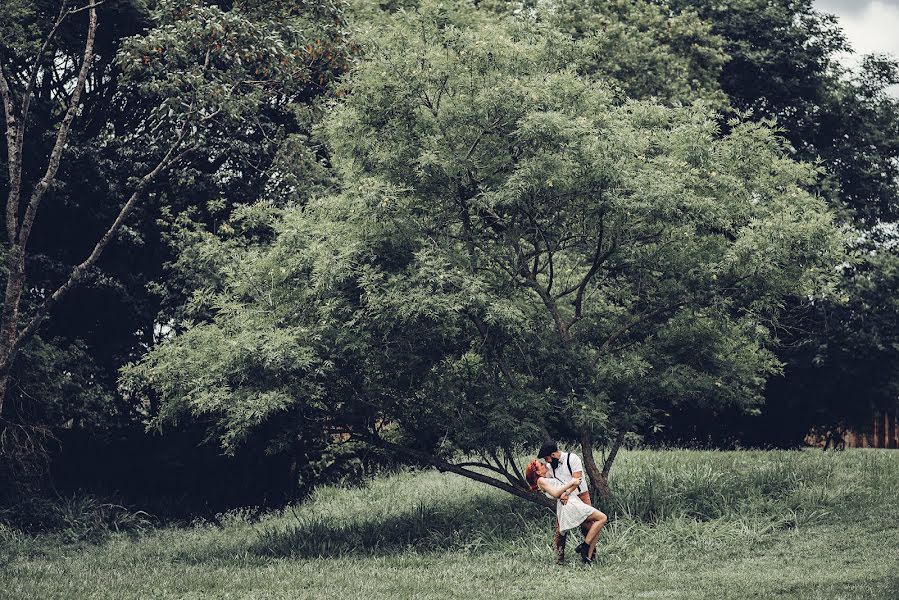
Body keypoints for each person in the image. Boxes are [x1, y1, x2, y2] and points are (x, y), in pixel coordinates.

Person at [525, 459, 608, 565]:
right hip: (569, 505)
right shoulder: (540, 481)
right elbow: (555, 493)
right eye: (541, 464)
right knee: (602, 518)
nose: (544, 464)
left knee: (596, 526)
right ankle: (585, 546)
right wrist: (572, 482)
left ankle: (588, 557)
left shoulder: (547, 476)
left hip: (572, 501)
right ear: (537, 471)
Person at [538, 440, 592, 563]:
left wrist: (567, 493)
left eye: (547, 458)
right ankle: (559, 558)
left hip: (580, 494)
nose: (546, 462)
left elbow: (577, 478)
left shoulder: (572, 458)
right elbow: (548, 481)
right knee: (561, 529)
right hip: (564, 498)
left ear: (553, 455)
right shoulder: (551, 467)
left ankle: (589, 555)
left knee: (588, 525)